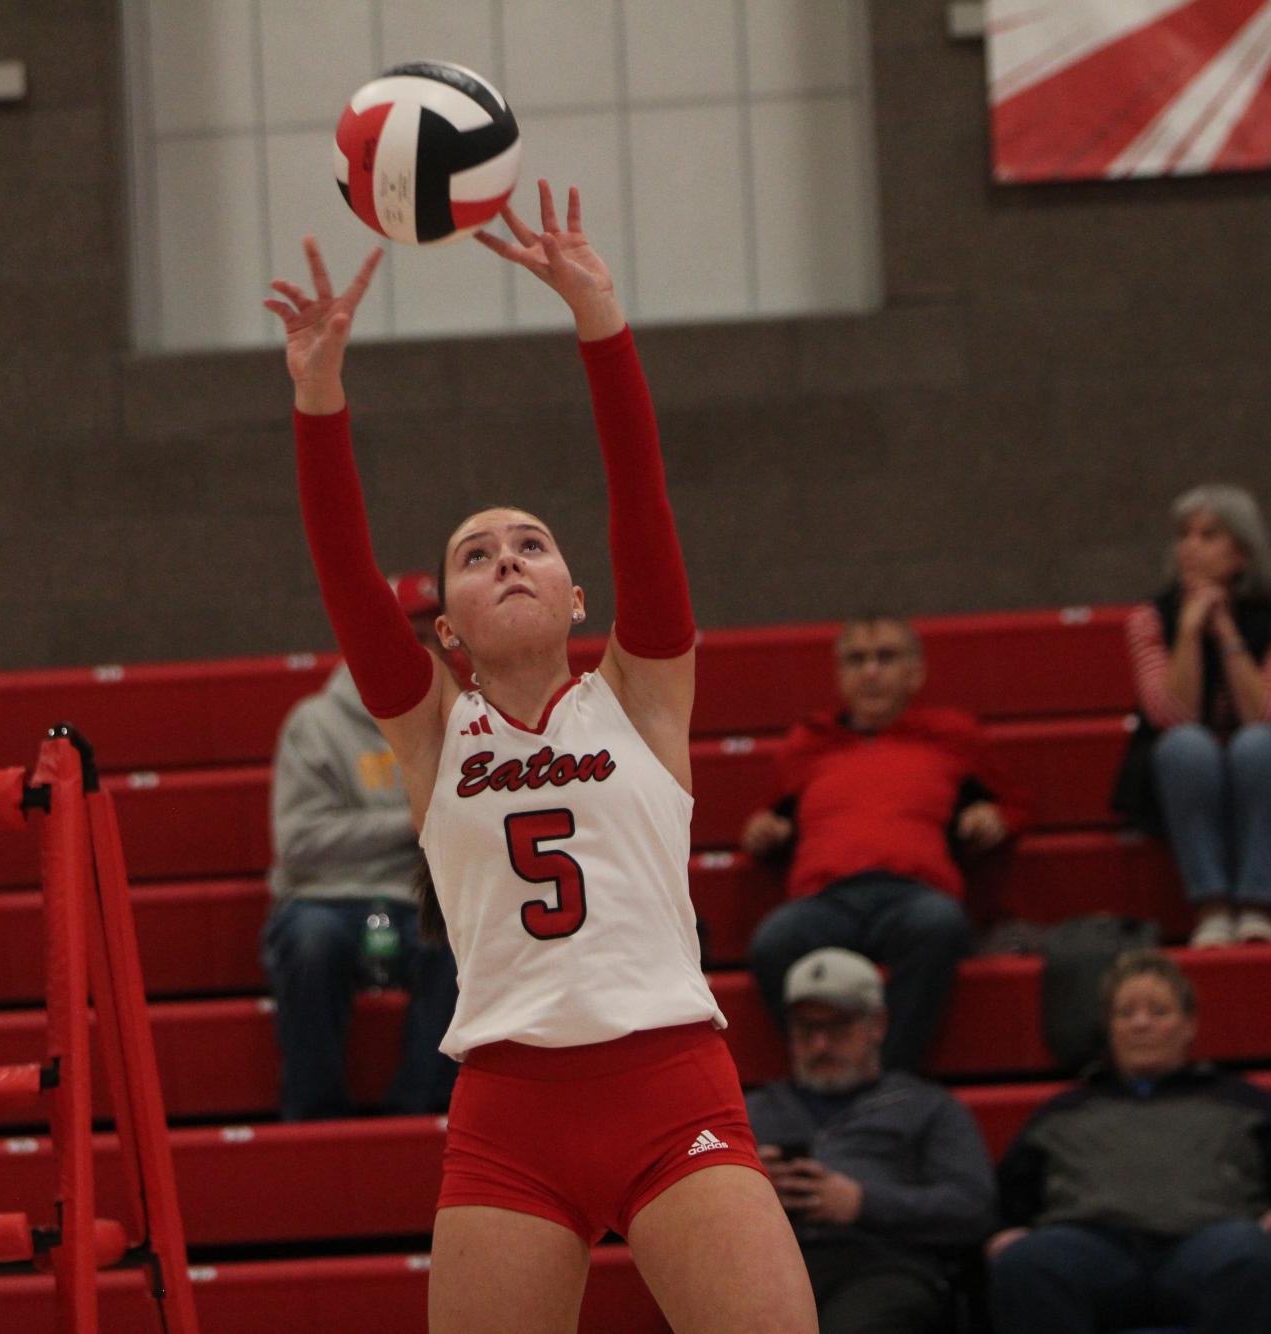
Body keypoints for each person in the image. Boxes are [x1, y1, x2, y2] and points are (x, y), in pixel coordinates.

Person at [263, 181, 814, 1333]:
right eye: (475, 553)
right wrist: (319, 395)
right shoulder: (429, 726)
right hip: (509, 1105)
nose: (506, 557)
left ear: (577, 593)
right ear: (447, 626)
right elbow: (348, 576)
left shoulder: (643, 691)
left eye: (531, 544)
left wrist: (600, 323)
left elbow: (640, 501)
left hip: (671, 1084)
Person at [987, 949, 1271, 1334]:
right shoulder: (1063, 1111)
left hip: (1210, 1247)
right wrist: (1002, 1234)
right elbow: (1004, 1203)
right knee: (1026, 1263)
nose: (1141, 1024)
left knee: (1253, 1254)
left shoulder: (1244, 1103)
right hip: (1089, 1250)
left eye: (1158, 1011)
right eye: (1126, 1013)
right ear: (1109, 1028)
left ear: (1189, 1025)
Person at [742, 615, 1028, 1071]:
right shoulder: (809, 743)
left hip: (913, 897)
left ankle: (885, 1077)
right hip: (825, 900)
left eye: (886, 658)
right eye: (856, 660)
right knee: (774, 941)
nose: (870, 671)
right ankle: (822, 1066)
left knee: (938, 924)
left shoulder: (953, 736)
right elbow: (769, 818)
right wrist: (765, 831)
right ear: (839, 676)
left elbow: (1014, 806)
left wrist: (991, 816)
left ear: (916, 673)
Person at [262, 571, 460, 1121]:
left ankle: (423, 1116)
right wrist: (413, 822)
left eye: (432, 635)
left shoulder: (462, 720)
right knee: (310, 942)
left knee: (465, 939)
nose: (424, 650)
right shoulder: (315, 725)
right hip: (326, 900)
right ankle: (314, 1117)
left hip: (423, 901)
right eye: (409, 636)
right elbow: (300, 845)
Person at [748, 947, 996, 1334]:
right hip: (766, 1269)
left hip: (883, 1266)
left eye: (838, 1027)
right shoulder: (752, 1112)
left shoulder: (927, 1107)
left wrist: (862, 1204)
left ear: (877, 1024)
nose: (820, 1046)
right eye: (805, 1029)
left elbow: (973, 1209)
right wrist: (746, 1192)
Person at [1113, 483, 1271, 947]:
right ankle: (1211, 905)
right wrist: (1187, 632)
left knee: (1259, 744)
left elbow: (1268, 713)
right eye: (1185, 535)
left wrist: (1225, 632)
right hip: (1173, 770)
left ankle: (1255, 904)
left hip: (1262, 765)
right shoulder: (1149, 620)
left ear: (1242, 552)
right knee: (1188, 746)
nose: (1190, 548)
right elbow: (1170, 715)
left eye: (1209, 536)